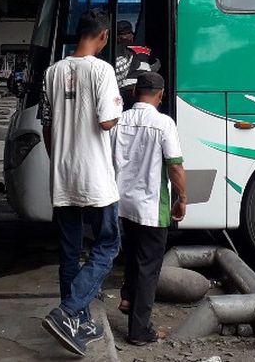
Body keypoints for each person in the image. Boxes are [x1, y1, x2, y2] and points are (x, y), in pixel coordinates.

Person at [38, 9, 123, 356]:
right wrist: (119, 107)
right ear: (102, 36)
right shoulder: (102, 70)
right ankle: (68, 312)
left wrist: (60, 160)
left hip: (64, 177)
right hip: (96, 178)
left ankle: (78, 323)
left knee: (69, 254)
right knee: (108, 246)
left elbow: (47, 126)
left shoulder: (52, 72)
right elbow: (106, 122)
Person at [110, 71, 187, 345]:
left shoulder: (119, 120)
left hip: (122, 203)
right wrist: (183, 198)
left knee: (132, 255)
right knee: (148, 267)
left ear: (134, 93)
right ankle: (139, 331)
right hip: (151, 207)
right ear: (161, 94)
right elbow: (175, 166)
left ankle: (129, 298)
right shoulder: (163, 123)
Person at [114, 20, 160, 109]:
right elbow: (156, 65)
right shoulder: (140, 50)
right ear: (131, 35)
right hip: (141, 92)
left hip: (122, 94)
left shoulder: (110, 51)